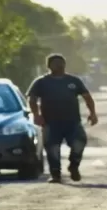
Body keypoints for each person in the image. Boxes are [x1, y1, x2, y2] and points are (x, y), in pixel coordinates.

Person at [26, 54, 99, 183]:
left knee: (79, 143)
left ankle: (74, 166)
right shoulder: (41, 82)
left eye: (61, 63)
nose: (59, 65)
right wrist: (37, 115)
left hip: (73, 121)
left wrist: (92, 113)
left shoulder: (73, 81)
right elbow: (32, 99)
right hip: (50, 122)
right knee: (52, 149)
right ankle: (55, 174)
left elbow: (87, 97)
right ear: (48, 66)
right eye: (55, 63)